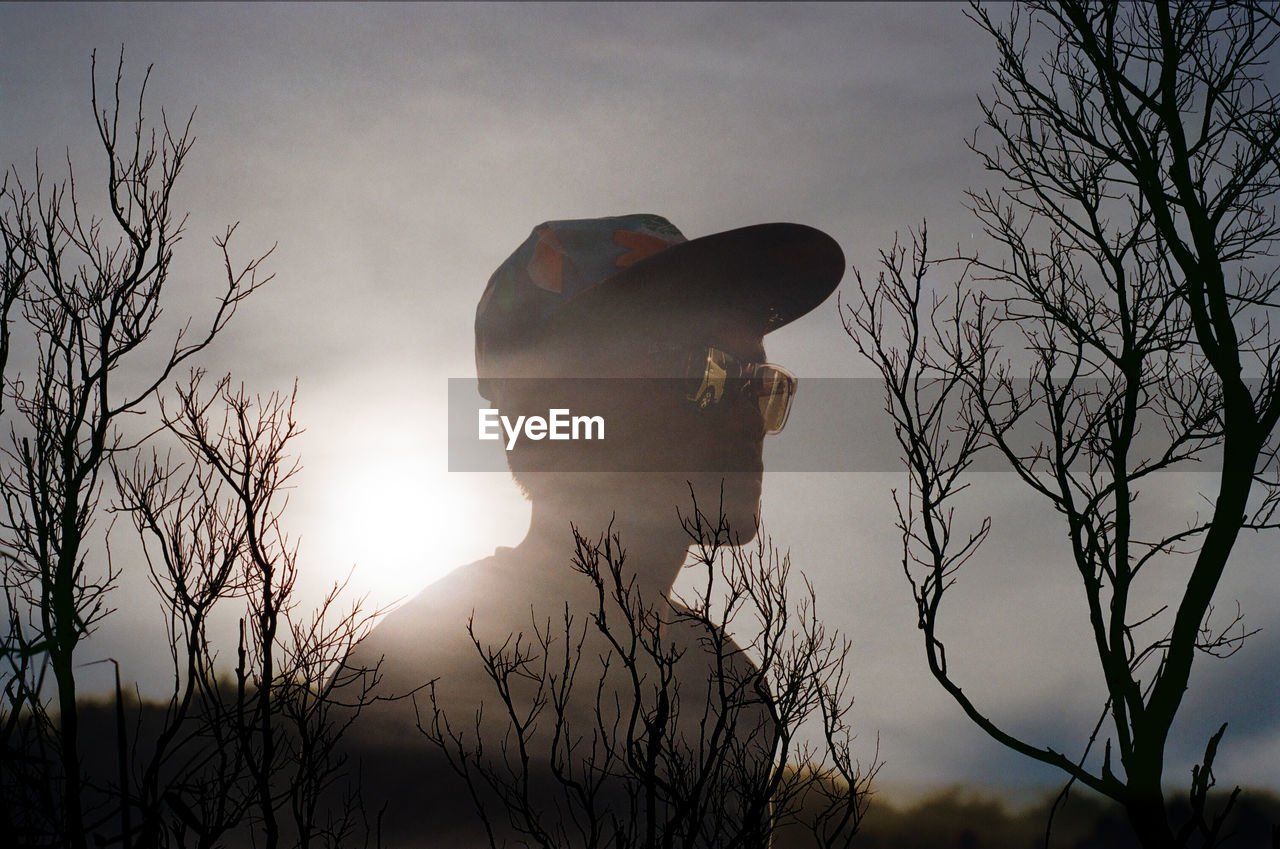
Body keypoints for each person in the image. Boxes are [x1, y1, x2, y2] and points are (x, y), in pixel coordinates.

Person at [341, 214, 843, 847]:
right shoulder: (429, 668)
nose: (749, 416)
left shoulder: (726, 685)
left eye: (760, 384)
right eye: (705, 375)